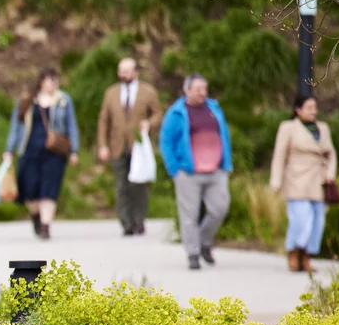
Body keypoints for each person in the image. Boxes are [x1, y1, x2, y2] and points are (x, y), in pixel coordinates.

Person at [159, 74, 234, 270]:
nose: (202, 92)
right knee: (189, 215)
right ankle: (193, 253)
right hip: (188, 172)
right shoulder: (176, 112)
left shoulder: (214, 108)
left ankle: (204, 241)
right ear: (187, 90)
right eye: (198, 88)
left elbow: (223, 134)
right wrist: (174, 169)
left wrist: (226, 162)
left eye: (205, 88)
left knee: (220, 208)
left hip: (216, 170)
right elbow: (166, 142)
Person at [6, 67, 80, 240]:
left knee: (49, 188)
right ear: (41, 81)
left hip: (54, 153)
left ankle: (46, 225)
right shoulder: (27, 99)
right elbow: (16, 126)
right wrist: (9, 149)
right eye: (50, 80)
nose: (53, 84)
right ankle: (36, 217)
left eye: (55, 80)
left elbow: (71, 125)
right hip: (29, 150)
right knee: (29, 191)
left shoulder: (63, 100)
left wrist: (74, 150)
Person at [270, 92, 338, 273]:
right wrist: (276, 180)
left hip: (318, 179)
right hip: (296, 178)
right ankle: (294, 251)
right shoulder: (288, 128)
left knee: (317, 220)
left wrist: (330, 174)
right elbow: (279, 155)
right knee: (301, 219)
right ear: (298, 109)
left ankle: (306, 255)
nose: (313, 111)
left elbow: (331, 154)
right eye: (308, 108)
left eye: (314, 108)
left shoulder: (323, 128)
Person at [94, 57, 161, 237]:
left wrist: (149, 123)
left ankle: (139, 220)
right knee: (121, 185)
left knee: (139, 184)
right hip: (117, 145)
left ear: (136, 72)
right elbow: (103, 121)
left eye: (126, 71)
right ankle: (126, 222)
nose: (123, 74)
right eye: (120, 71)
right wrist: (102, 145)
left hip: (138, 145)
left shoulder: (148, 92)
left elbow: (157, 114)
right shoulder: (111, 93)